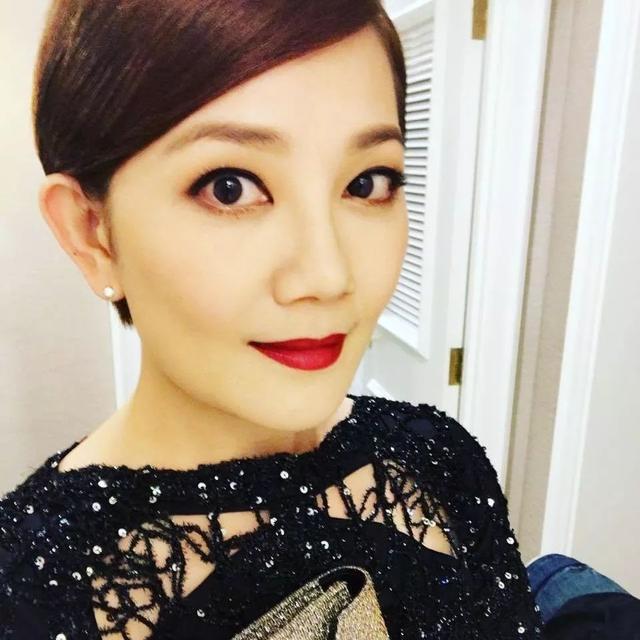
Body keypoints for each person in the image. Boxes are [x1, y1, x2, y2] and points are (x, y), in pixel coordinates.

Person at [0, 0, 543, 638]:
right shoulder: (28, 594)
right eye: (229, 186)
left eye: (367, 183)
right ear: (91, 232)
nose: (328, 276)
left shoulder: (439, 459)